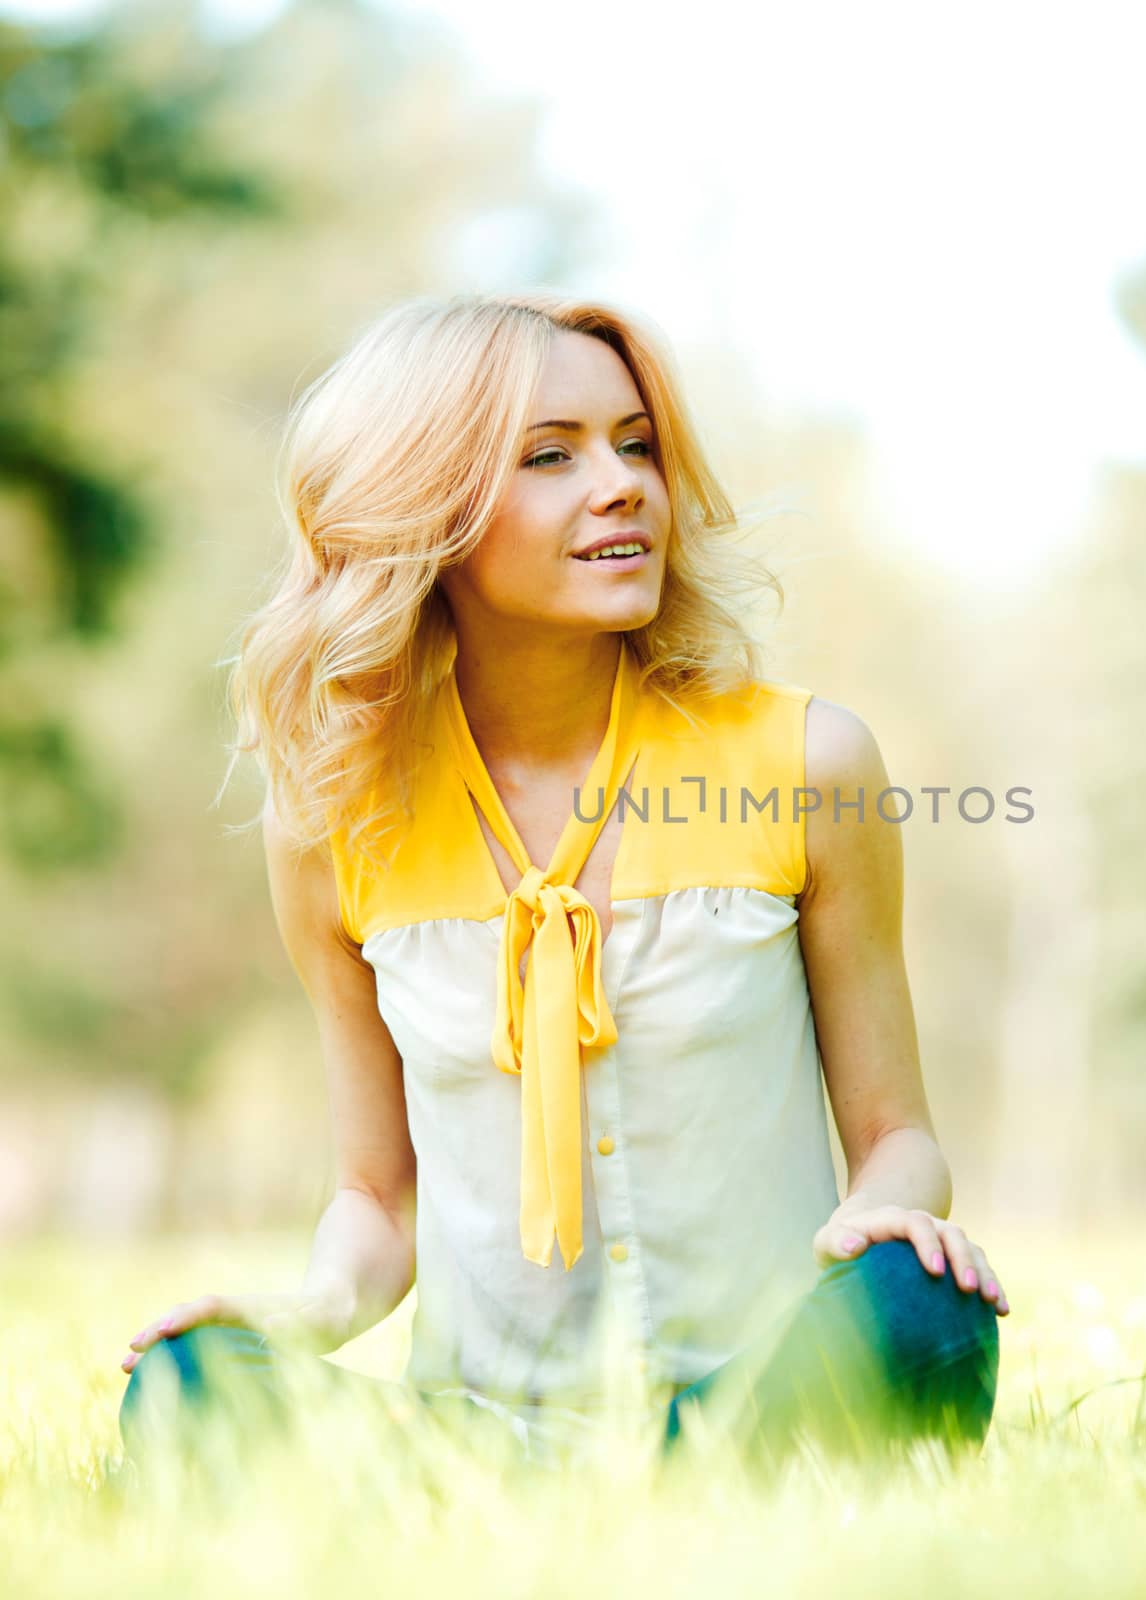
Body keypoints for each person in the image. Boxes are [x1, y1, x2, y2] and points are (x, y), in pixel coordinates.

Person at [116, 290, 1007, 1479]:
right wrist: (304, 1308)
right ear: (422, 504)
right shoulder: (332, 826)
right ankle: (658, 1506)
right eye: (551, 455)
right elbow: (379, 1198)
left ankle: (720, 1478)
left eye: (636, 444)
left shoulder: (810, 762)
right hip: (478, 1440)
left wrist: (877, 1225)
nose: (624, 483)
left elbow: (899, 1137)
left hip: (761, 1392)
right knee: (187, 1389)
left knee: (924, 1307)